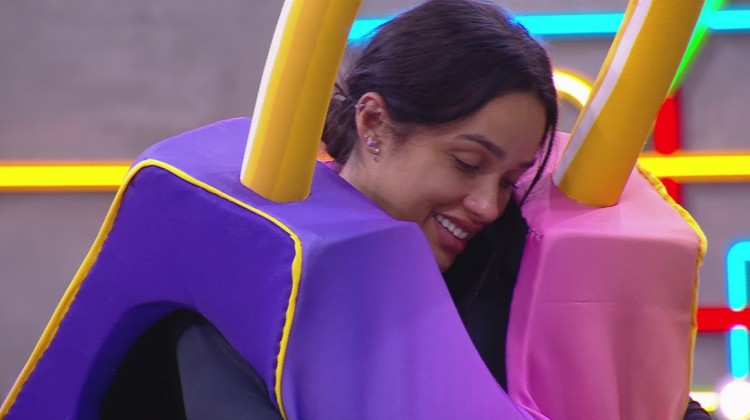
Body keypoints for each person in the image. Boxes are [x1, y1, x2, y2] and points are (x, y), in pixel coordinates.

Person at [100, 1, 711, 418]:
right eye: (466, 163)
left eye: (509, 180)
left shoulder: (516, 283)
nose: (487, 205)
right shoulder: (233, 310)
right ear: (372, 122)